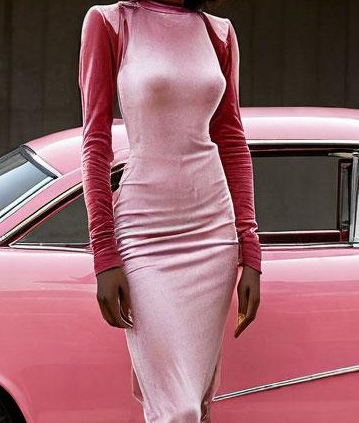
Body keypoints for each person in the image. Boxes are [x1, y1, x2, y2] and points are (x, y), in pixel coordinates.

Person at [78, 0, 262, 421]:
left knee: (194, 405)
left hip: (213, 235)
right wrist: (104, 254)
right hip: (144, 234)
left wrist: (250, 248)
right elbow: (96, 144)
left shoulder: (219, 32)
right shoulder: (110, 22)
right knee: (178, 409)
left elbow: (232, 140)